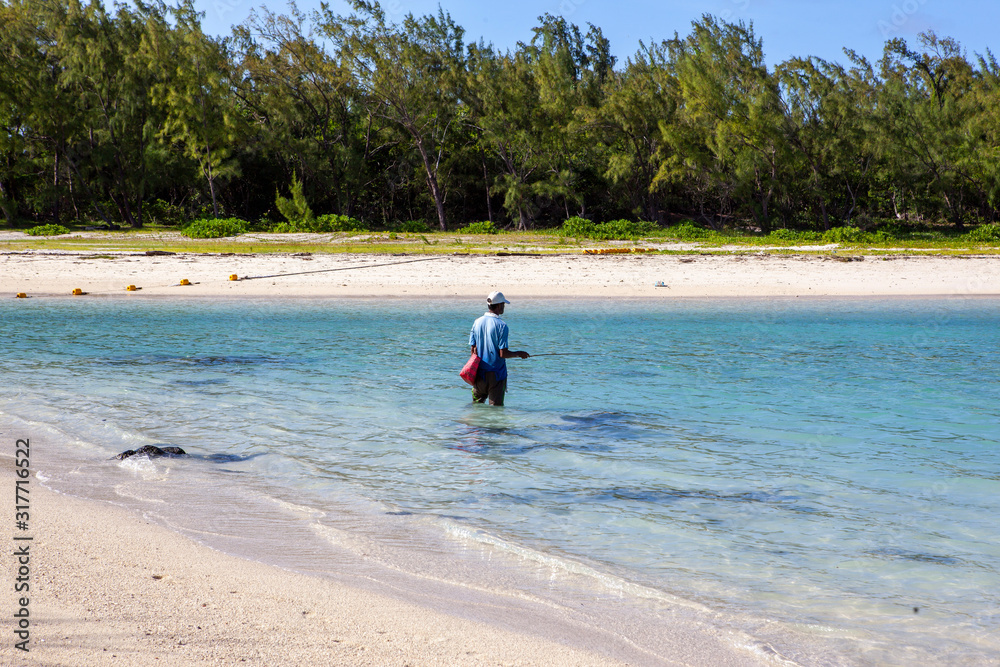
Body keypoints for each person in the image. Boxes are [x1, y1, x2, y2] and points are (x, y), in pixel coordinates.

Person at [468, 291, 529, 406]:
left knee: (476, 406)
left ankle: (475, 424)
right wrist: (519, 353)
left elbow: (473, 350)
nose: (504, 307)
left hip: (479, 374)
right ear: (499, 305)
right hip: (496, 375)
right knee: (496, 411)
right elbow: (503, 353)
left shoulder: (477, 322)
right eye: (503, 305)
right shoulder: (502, 325)